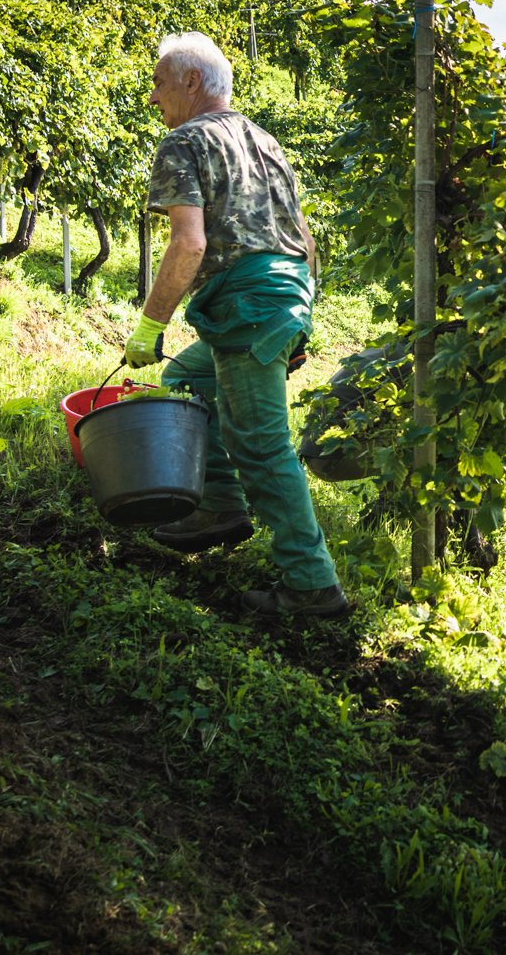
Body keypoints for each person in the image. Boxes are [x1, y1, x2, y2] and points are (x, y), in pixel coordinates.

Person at [125, 32, 348, 617]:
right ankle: (222, 505)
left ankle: (311, 584)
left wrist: (149, 326)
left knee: (261, 443)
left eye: (159, 83)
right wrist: (297, 318)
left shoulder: (184, 141)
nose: (154, 97)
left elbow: (189, 243)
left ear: (191, 81)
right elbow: (304, 239)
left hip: (250, 304)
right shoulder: (264, 141)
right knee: (192, 377)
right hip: (284, 294)